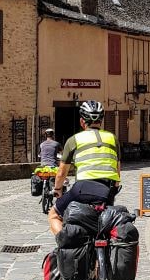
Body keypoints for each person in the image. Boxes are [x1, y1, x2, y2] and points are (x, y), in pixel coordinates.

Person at [48, 101, 120, 237]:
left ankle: (65, 241)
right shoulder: (113, 139)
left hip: (82, 189)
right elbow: (117, 170)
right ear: (101, 121)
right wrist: (113, 190)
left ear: (82, 121)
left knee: (54, 214)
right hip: (108, 191)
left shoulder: (74, 139)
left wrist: (57, 190)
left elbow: (62, 172)